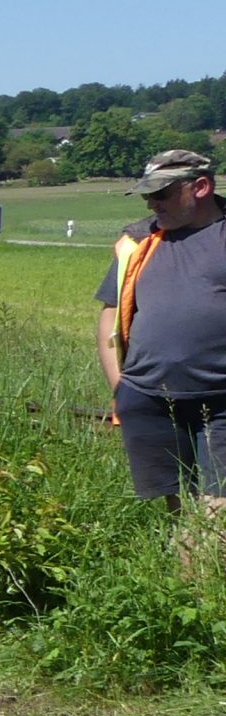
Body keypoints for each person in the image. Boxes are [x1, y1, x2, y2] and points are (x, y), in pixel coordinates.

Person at [95, 147, 226, 512]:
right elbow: (110, 316)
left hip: (220, 401)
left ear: (199, 187)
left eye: (161, 193)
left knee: (217, 517)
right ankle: (183, 570)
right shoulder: (139, 242)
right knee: (180, 510)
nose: (152, 204)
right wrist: (120, 387)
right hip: (151, 399)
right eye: (146, 195)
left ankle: (198, 568)